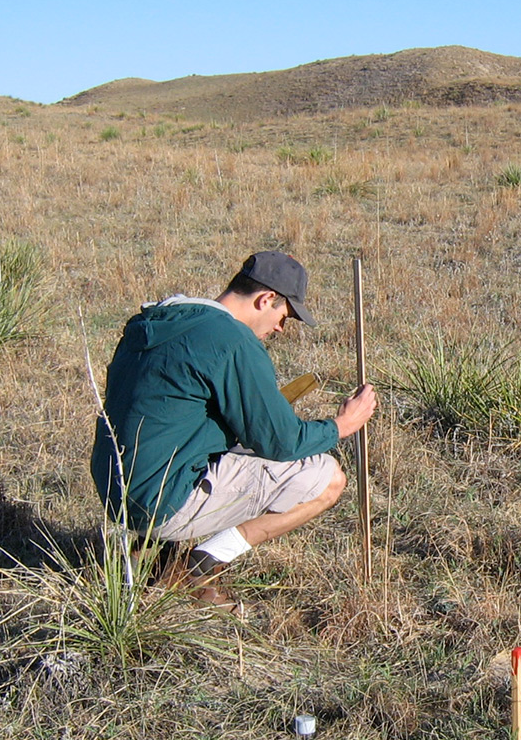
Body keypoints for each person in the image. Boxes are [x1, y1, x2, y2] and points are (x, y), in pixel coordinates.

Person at [90, 251, 376, 606]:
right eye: (283, 316)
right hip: (162, 501)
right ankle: (201, 562)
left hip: (115, 491)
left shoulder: (156, 320)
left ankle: (154, 553)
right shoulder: (232, 340)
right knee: (328, 478)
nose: (279, 329)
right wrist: (341, 425)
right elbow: (281, 442)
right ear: (266, 299)